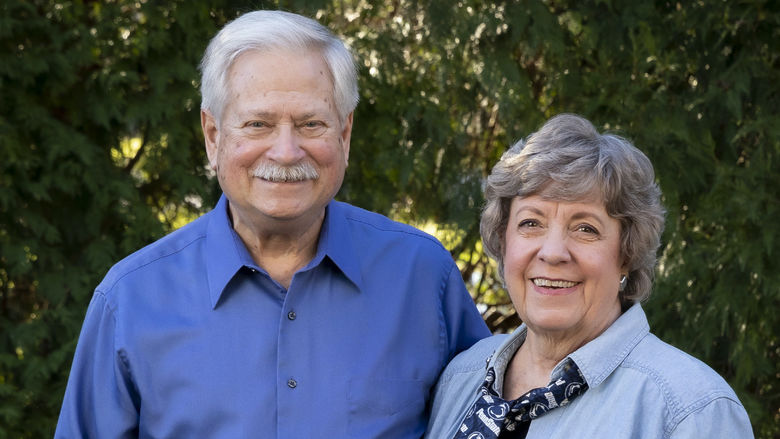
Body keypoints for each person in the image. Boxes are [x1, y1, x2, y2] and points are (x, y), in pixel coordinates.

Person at [55, 10, 489, 438]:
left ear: (345, 133)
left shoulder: (421, 275)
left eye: (311, 124)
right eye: (258, 124)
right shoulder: (130, 300)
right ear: (213, 135)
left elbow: (495, 418)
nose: (285, 152)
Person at [424, 114, 754, 438]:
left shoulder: (689, 409)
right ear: (503, 239)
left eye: (586, 228)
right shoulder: (461, 376)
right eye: (531, 223)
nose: (552, 252)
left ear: (627, 254)